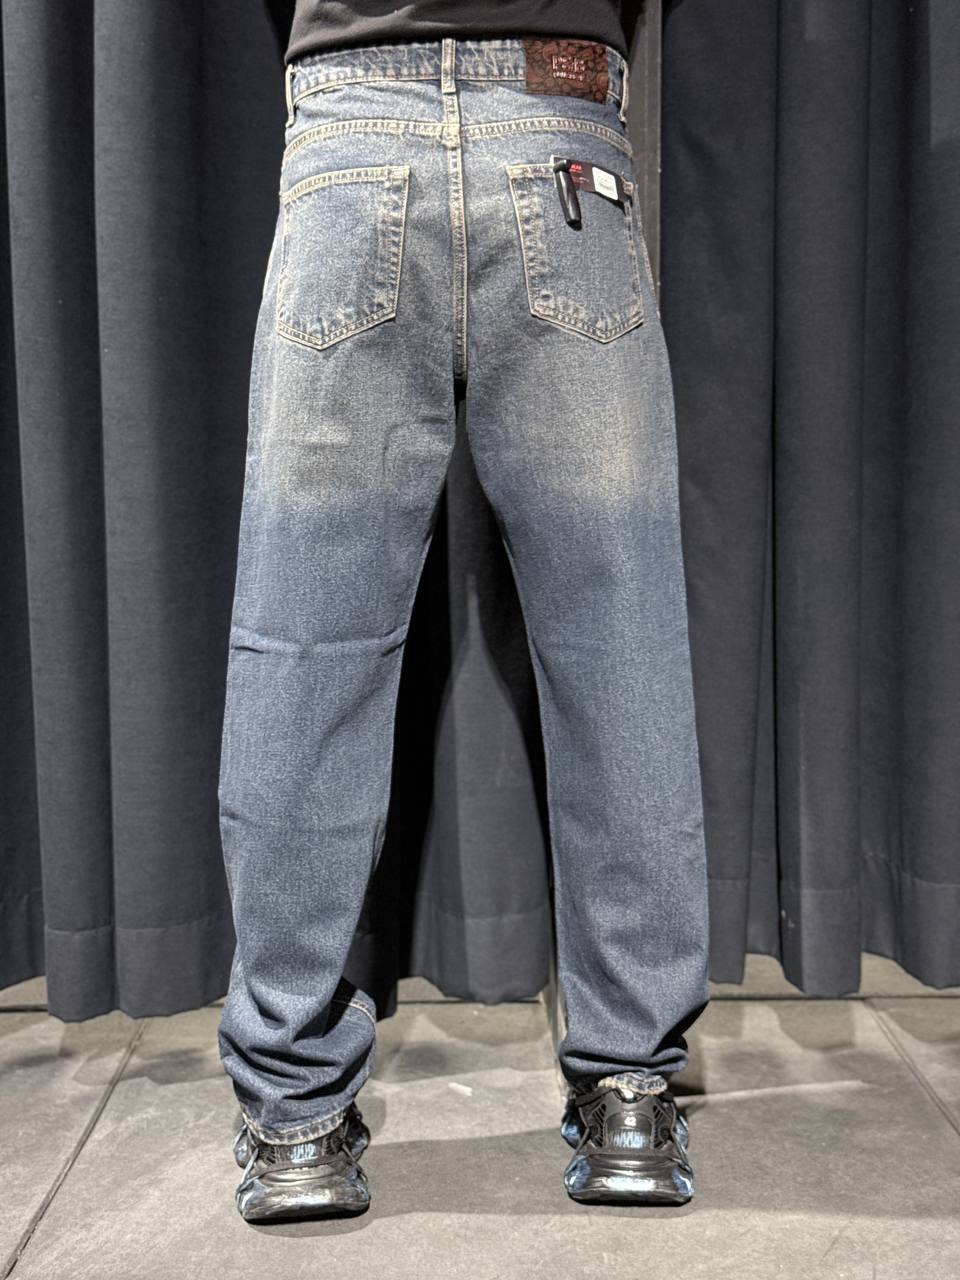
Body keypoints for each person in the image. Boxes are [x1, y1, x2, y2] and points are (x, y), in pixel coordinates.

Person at [216, 0, 711, 1223]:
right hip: (560, 124)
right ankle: (632, 1093)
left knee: (307, 646)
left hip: (350, 121)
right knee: (618, 640)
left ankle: (297, 1120)